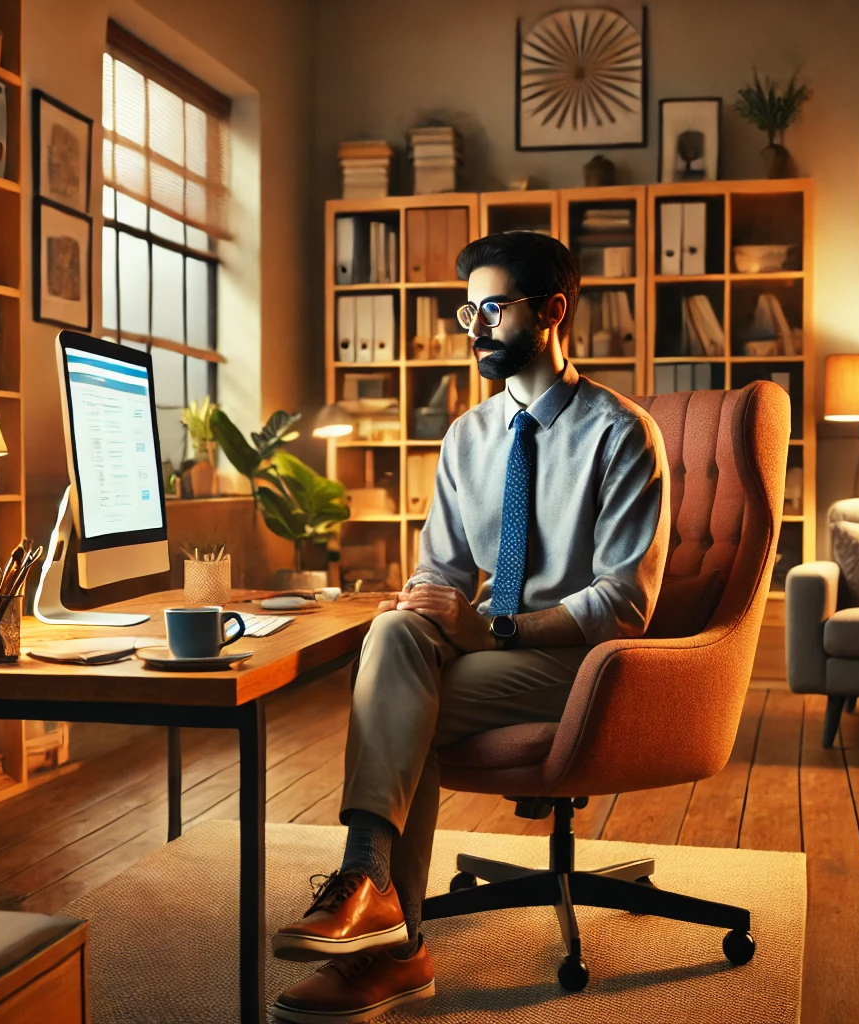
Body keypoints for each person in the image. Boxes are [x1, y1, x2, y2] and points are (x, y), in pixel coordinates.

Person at [271, 231, 671, 1023]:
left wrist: (493, 632)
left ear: (552, 312)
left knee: (399, 710)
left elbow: (622, 603)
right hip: (489, 646)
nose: (475, 328)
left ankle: (390, 942)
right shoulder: (467, 436)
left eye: (493, 308)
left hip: (581, 662)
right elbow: (442, 574)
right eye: (468, 311)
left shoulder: (622, 434)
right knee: (393, 637)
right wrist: (420, 608)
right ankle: (373, 891)